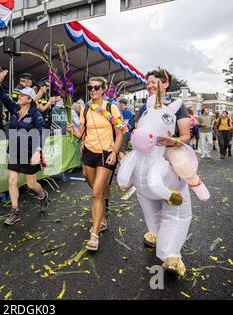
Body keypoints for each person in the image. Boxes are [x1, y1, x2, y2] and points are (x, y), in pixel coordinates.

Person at [135, 69, 192, 276]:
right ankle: (157, 233)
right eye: (147, 82)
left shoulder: (178, 108)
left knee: (175, 208)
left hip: (171, 165)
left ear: (166, 83)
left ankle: (172, 255)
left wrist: (172, 141)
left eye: (153, 82)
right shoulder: (144, 108)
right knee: (150, 205)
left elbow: (185, 135)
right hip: (147, 165)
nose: (149, 85)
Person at [67, 77, 123, 251]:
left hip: (106, 154)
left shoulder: (110, 107)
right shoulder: (85, 109)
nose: (92, 90)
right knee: (93, 184)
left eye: (96, 87)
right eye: (90, 87)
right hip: (89, 153)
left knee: (97, 193)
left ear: (103, 89)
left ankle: (94, 235)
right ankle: (103, 214)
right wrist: (73, 131)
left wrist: (114, 152)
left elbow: (120, 133)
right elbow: (82, 134)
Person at [0, 70, 50, 226]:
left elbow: (42, 132)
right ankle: (15, 211)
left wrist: (38, 151)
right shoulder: (15, 109)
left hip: (30, 152)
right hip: (14, 151)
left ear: (29, 100)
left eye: (22, 96)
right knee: (12, 180)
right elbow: (4, 97)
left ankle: (42, 194)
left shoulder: (35, 114)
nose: (18, 97)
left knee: (31, 184)